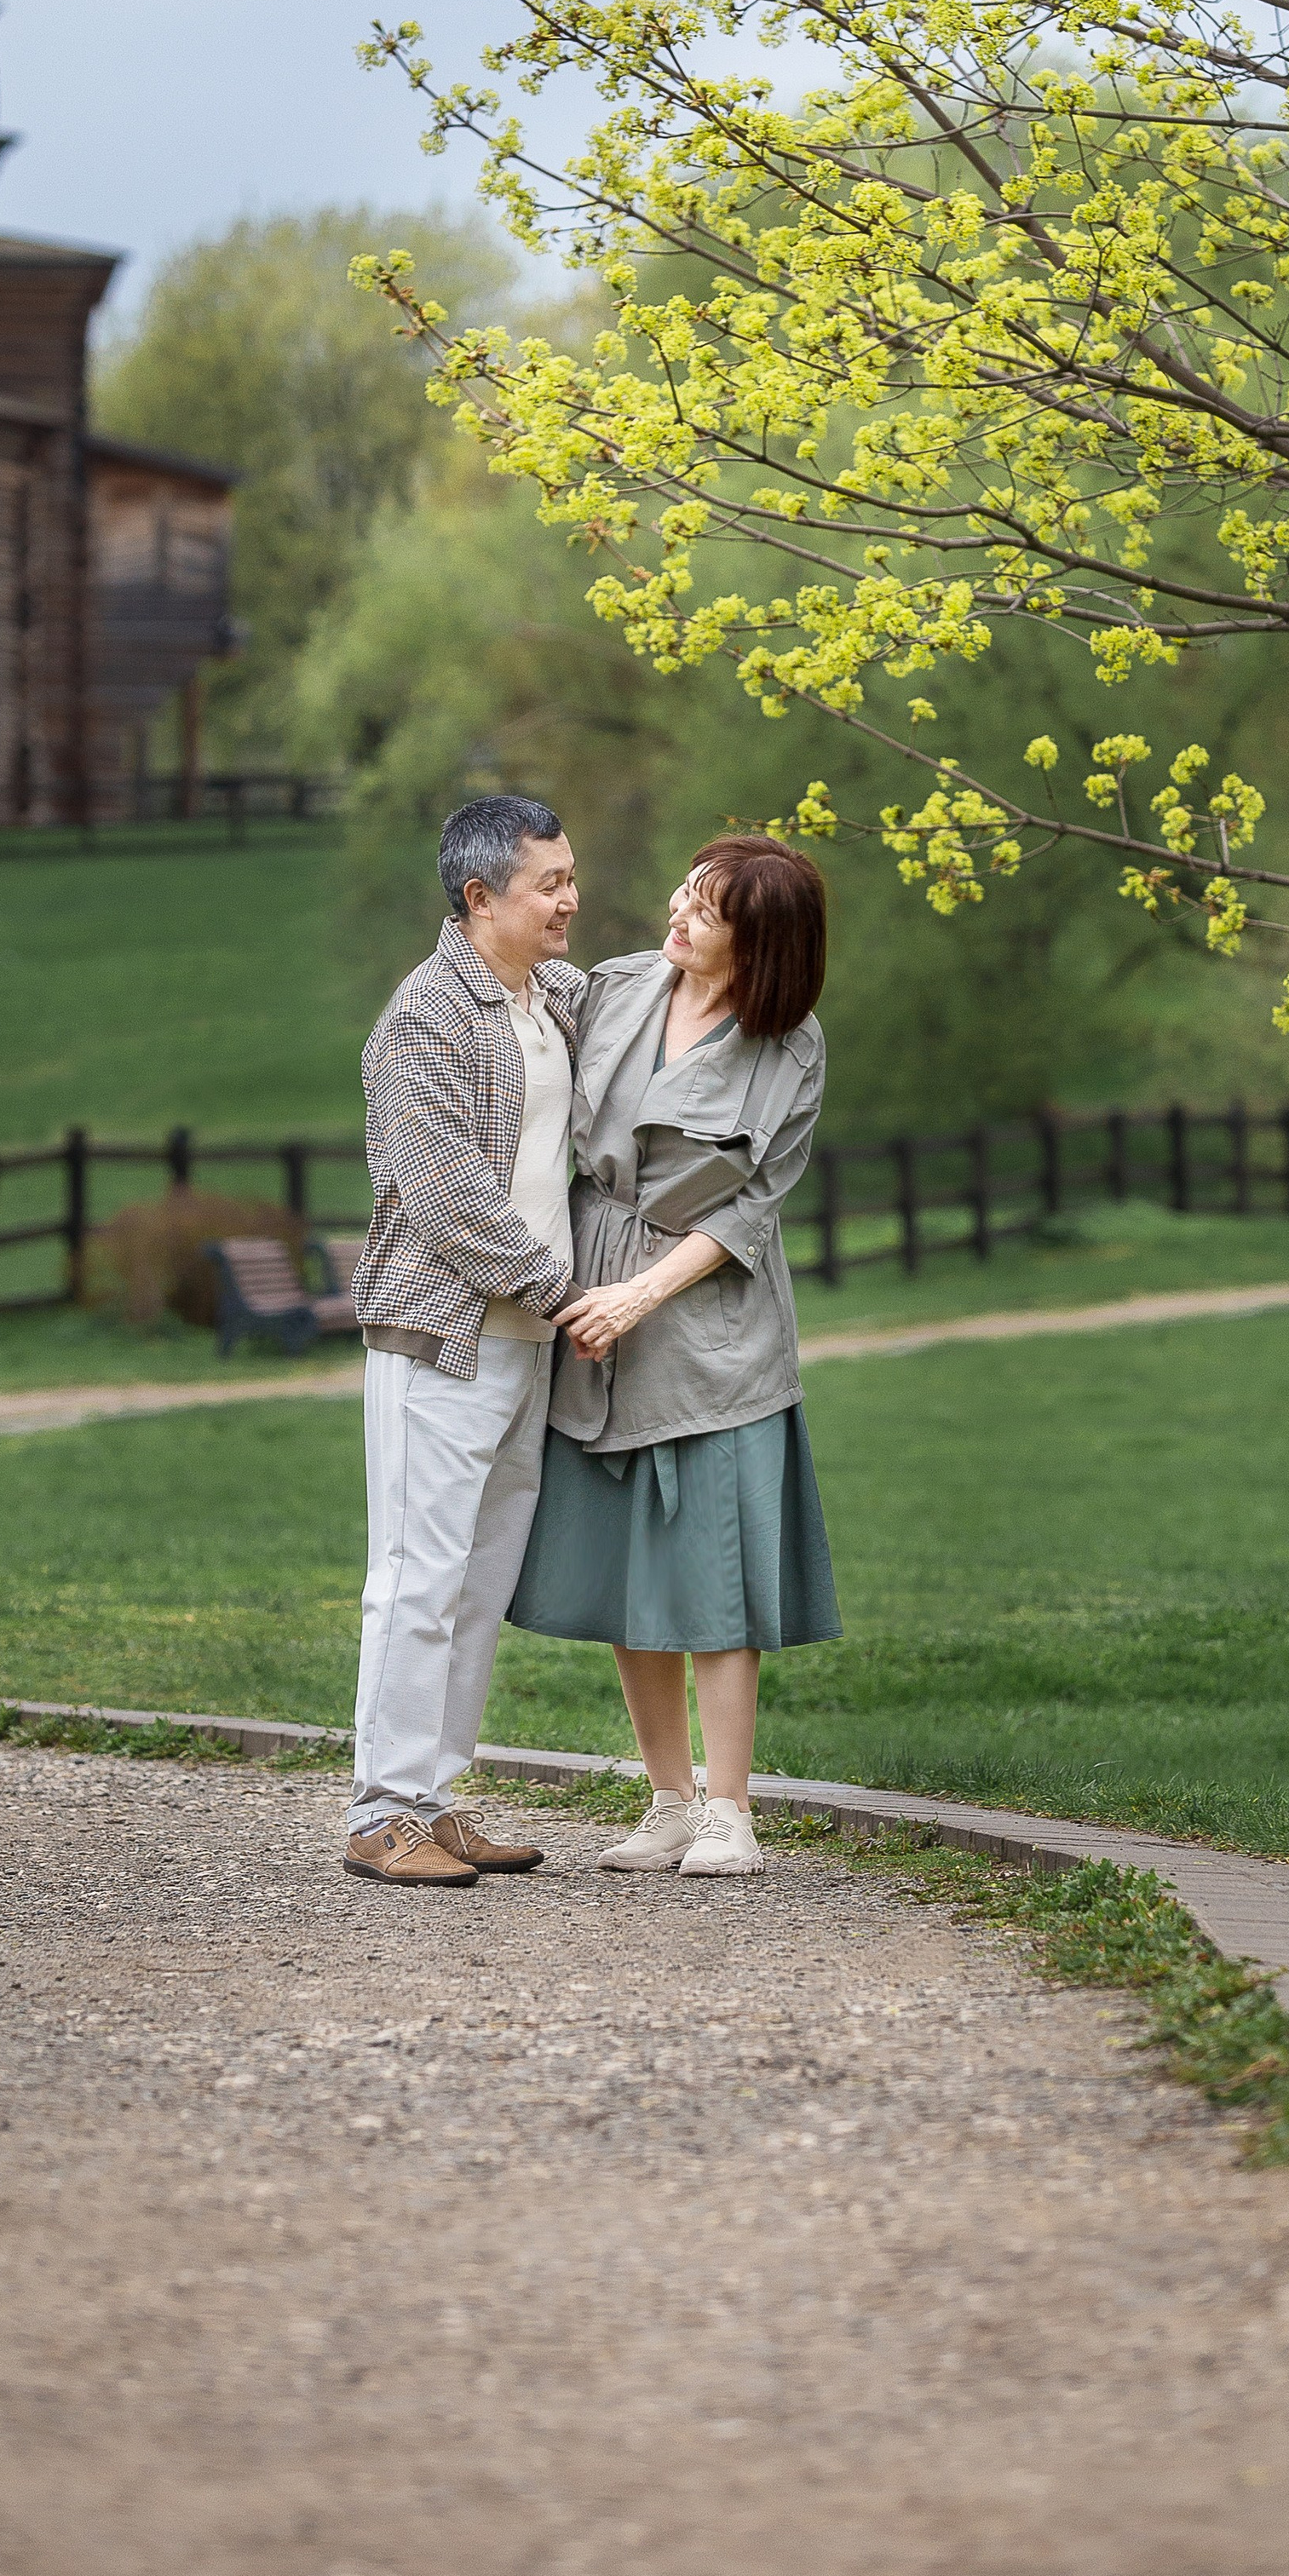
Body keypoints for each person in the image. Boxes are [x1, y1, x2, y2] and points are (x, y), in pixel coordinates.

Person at [507, 834, 839, 1876]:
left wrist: (642, 1295)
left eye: (704, 907)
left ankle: (730, 1813)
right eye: (684, 894)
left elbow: (752, 1208)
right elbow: (505, 1022)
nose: (676, 913)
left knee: (712, 1570)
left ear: (760, 941)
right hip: (591, 1292)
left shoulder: (789, 1047)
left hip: (710, 1323)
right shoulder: (613, 988)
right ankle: (666, 1800)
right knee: (627, 1567)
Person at [344, 796, 589, 1889]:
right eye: (550, 884)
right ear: (479, 897)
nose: (570, 900)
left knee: (479, 1581)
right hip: (440, 1340)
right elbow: (440, 1189)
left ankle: (433, 1798)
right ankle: (379, 1812)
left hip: (524, 1344)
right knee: (415, 1577)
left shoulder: (552, 998)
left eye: (572, 878)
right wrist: (561, 1291)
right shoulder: (425, 1018)